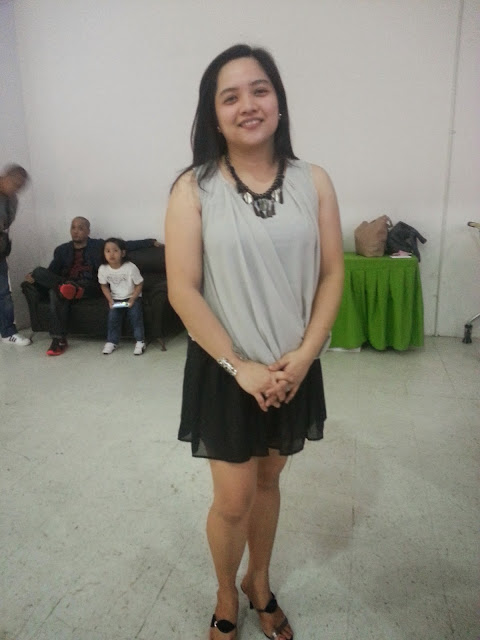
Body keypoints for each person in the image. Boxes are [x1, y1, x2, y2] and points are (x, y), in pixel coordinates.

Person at [165, 44, 344, 640]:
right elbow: (183, 290)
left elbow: (332, 274)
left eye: (260, 90)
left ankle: (257, 583)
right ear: (214, 115)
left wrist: (306, 356)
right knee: (233, 500)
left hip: (292, 367)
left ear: (279, 101)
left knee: (269, 482)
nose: (248, 104)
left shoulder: (314, 181)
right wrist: (239, 366)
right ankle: (225, 592)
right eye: (231, 96)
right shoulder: (193, 188)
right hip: (226, 369)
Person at [25, 217, 157, 356]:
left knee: (56, 291)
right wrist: (35, 278)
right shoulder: (62, 250)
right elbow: (51, 272)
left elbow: (125, 245)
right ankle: (66, 296)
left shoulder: (98, 245)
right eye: (73, 227)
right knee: (40, 274)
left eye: (80, 228)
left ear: (88, 231)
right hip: (66, 283)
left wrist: (150, 242)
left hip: (89, 285)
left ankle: (60, 336)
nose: (76, 231)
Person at [98, 237, 146, 355]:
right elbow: (104, 286)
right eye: (107, 251)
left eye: (115, 250)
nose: (111, 254)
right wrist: (110, 300)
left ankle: (140, 341)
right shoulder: (103, 269)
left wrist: (133, 299)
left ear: (123, 253)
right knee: (113, 318)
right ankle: (112, 342)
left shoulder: (130, 267)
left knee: (135, 317)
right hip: (116, 298)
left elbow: (139, 284)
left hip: (132, 297)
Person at [0, 164, 31, 346]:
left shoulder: (12, 200)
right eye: (15, 184)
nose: (17, 190)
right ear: (5, 177)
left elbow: (7, 223)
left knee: (4, 293)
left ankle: (7, 332)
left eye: (21, 187)